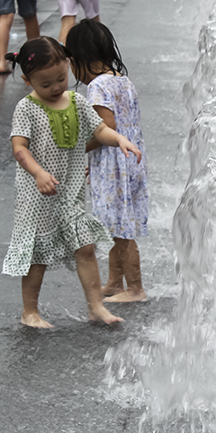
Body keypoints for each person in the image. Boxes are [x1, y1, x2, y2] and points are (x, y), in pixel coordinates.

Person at [3, 37, 142, 328]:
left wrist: (118, 140)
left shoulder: (77, 102)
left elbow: (100, 129)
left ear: (68, 66)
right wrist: (39, 173)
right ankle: (30, 311)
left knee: (86, 247)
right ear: (28, 80)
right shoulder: (26, 109)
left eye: (61, 79)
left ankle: (96, 307)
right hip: (37, 196)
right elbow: (19, 148)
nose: (55, 88)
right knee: (37, 255)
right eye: (45, 84)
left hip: (70, 193)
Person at [67, 20, 149, 302]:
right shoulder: (122, 80)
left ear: (79, 59)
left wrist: (78, 150)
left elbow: (105, 127)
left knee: (122, 232)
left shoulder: (98, 86)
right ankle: (115, 282)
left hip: (115, 167)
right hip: (128, 163)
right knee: (116, 226)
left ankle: (136, 289)